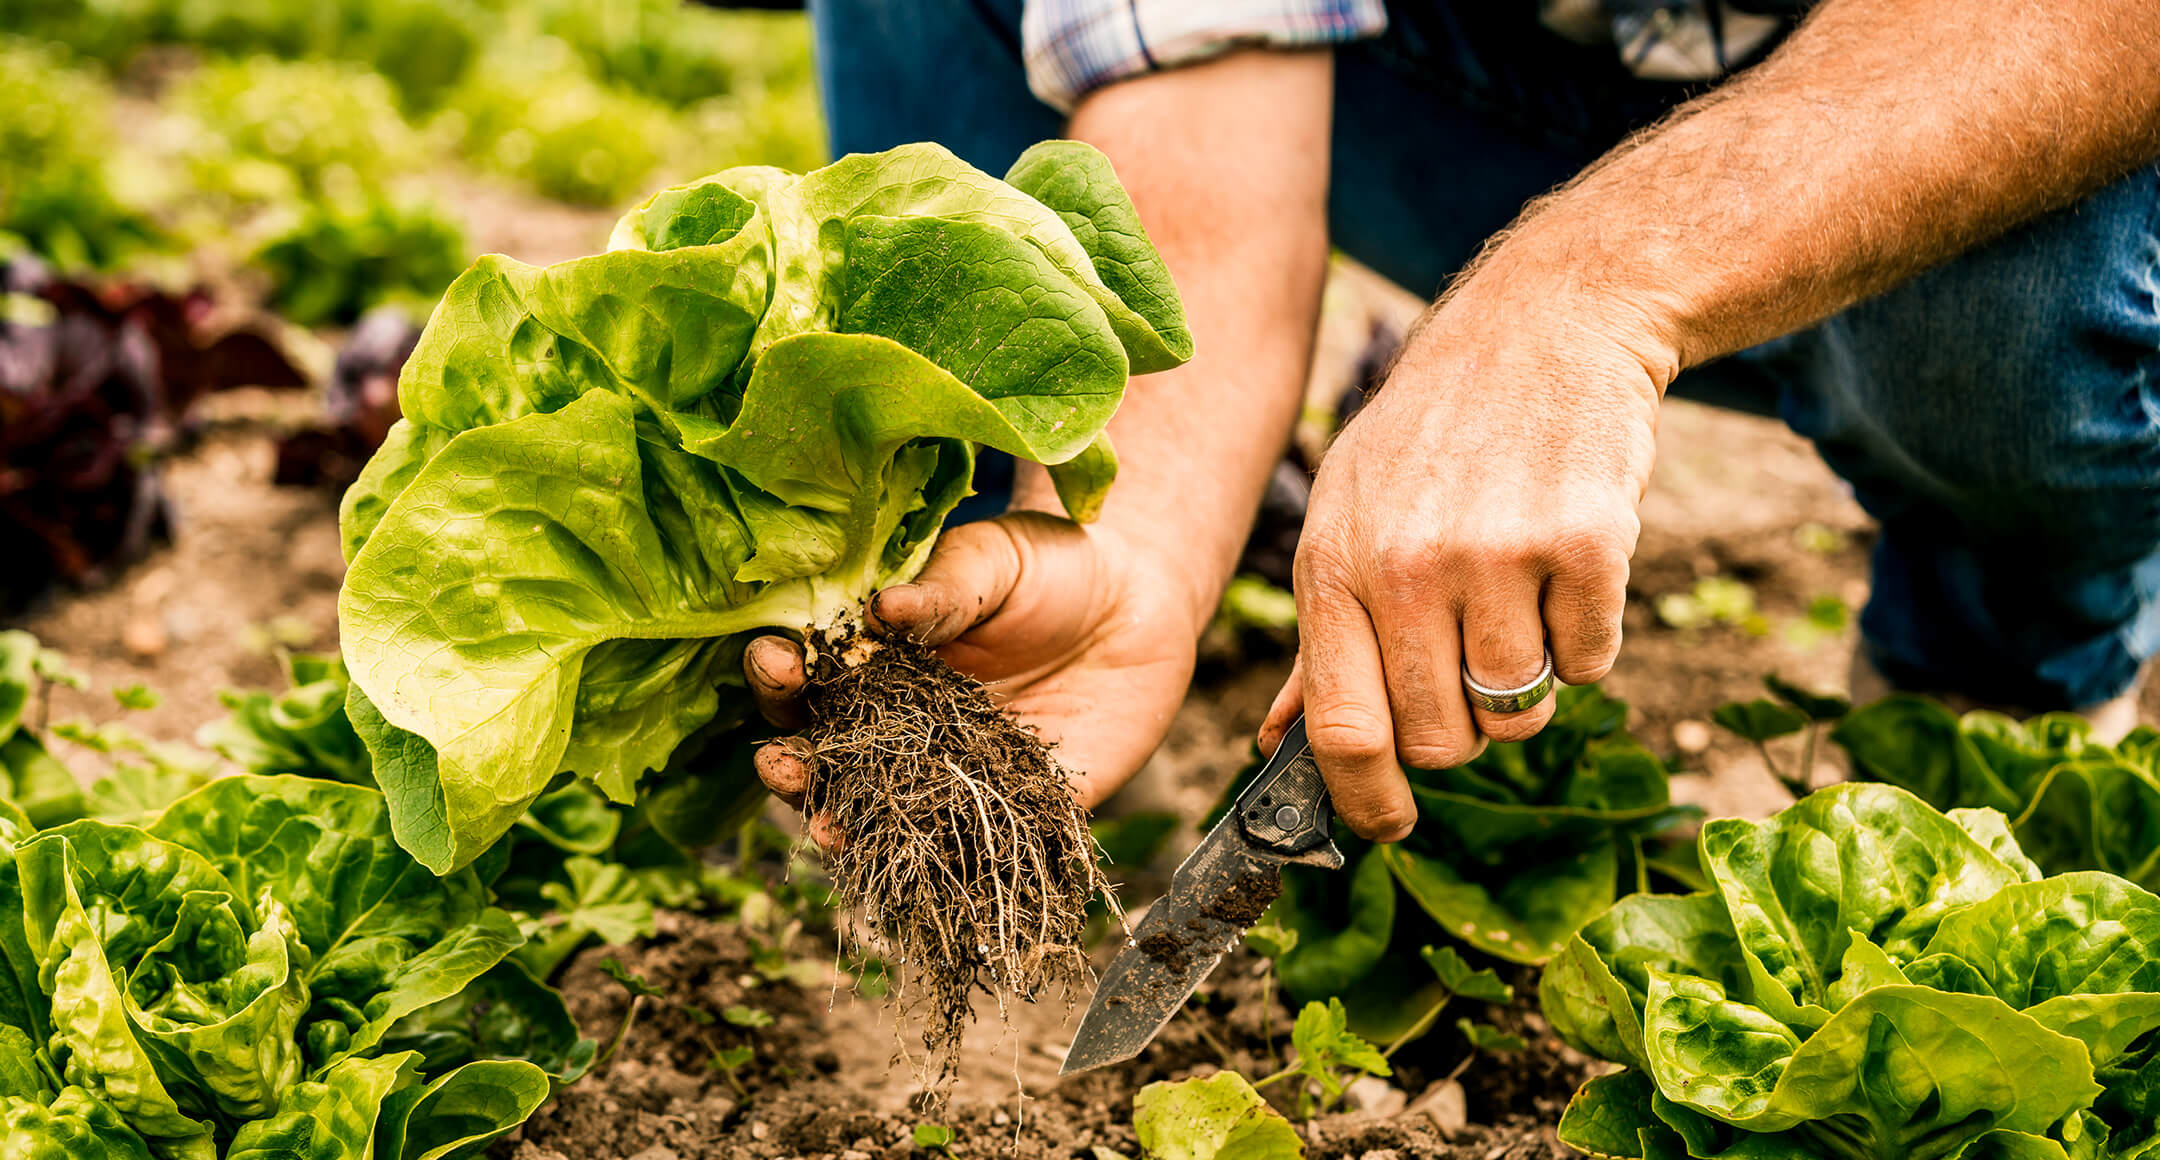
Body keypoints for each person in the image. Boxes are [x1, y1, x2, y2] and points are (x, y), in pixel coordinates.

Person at [744, 0, 2160, 843]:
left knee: (2032, 280)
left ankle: (2002, 671)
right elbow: (1204, 55)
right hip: (1499, 79)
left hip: (1988, 80)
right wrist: (1146, 542)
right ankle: (1016, 582)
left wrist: (1587, 295)